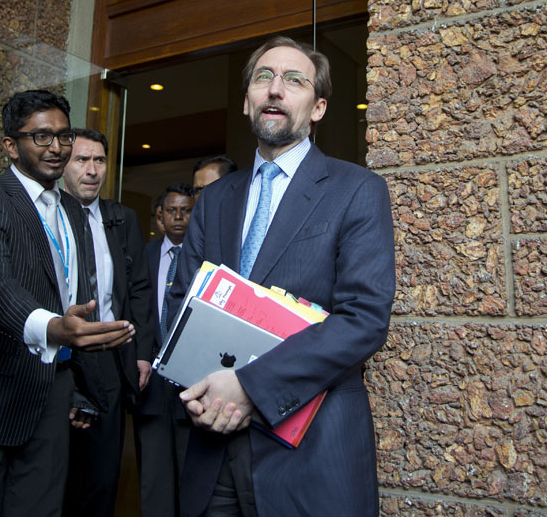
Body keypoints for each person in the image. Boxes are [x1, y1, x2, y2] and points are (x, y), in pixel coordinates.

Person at [170, 37, 396, 516]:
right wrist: (199, 391)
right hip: (213, 451)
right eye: (262, 78)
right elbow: (181, 305)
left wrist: (249, 386)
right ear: (247, 101)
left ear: (316, 108)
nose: (275, 90)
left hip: (311, 450)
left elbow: (363, 319)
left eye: (294, 81)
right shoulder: (213, 199)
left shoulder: (357, 190)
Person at [0, 90, 135, 517]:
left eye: (64, 136)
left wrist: (76, 385)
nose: (56, 148)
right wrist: (53, 327)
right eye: (41, 137)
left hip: (50, 396)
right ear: (10, 145)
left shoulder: (74, 211)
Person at [61, 128, 155, 517]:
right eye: (81, 160)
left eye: (99, 160)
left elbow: (139, 290)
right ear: (63, 164)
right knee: (59, 473)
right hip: (61, 355)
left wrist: (143, 354)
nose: (92, 169)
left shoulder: (121, 218)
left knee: (102, 475)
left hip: (112, 357)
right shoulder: (45, 215)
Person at [135, 182, 195, 517]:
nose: (178, 217)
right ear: (159, 217)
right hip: (151, 384)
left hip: (191, 381)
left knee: (190, 474)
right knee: (154, 480)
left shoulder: (205, 255)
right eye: (171, 211)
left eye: (186, 210)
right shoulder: (142, 255)